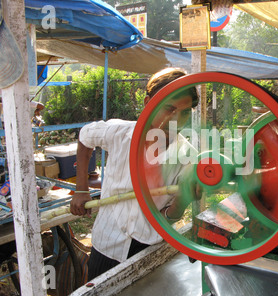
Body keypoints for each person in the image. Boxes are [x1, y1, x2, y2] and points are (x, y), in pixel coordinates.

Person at [70, 68, 200, 281]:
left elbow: (169, 217)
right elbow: (85, 137)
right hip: (107, 244)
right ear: (148, 102)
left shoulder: (188, 157)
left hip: (149, 249)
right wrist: (81, 189)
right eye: (169, 109)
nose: (176, 120)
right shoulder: (119, 133)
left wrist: (183, 200)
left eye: (185, 112)